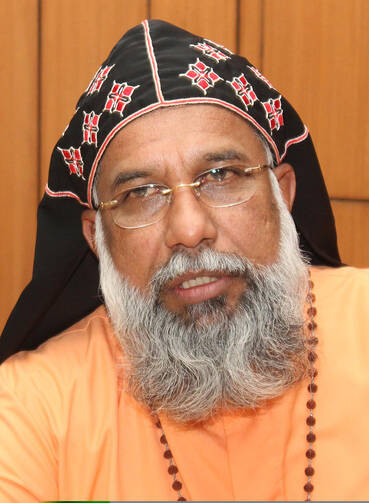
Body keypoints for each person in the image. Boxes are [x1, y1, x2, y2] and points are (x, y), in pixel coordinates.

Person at [0, 19, 368, 502]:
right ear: (97, 237)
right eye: (141, 193)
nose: (189, 229)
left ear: (282, 194)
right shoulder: (29, 406)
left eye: (221, 174)